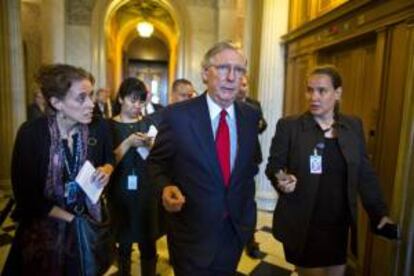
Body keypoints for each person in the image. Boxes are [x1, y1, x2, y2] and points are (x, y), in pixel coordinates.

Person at [265, 65, 394, 276]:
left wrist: (379, 212)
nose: (313, 96)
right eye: (309, 90)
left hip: (338, 223)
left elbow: (364, 172)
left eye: (322, 90)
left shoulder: (352, 125)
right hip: (304, 221)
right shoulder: (290, 126)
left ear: (338, 93)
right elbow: (274, 166)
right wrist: (282, 180)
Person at [148, 41, 261, 275]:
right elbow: (156, 164)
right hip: (191, 233)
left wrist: (247, 218)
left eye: (239, 70)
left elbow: (249, 167)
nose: (232, 77)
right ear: (204, 74)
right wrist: (165, 187)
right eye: (223, 68)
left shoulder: (250, 116)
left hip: (234, 231)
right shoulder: (177, 116)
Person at [3, 64, 114, 275]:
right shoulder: (31, 134)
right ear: (56, 103)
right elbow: (27, 198)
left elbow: (109, 158)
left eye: (91, 95)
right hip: (45, 234)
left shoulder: (99, 127)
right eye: (81, 98)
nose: (91, 104)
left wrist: (106, 170)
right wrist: (73, 221)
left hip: (88, 225)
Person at [107, 78, 163, 276]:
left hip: (147, 192)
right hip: (119, 192)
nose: (137, 106)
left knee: (148, 243)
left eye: (141, 101)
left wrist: (151, 146)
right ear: (121, 98)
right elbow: (107, 163)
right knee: (123, 244)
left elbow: (159, 158)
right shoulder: (108, 126)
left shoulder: (148, 123)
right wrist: (129, 143)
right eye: (132, 100)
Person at [236, 75, 267, 259]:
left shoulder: (254, 104)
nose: (243, 88)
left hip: (249, 158)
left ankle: (250, 241)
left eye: (245, 84)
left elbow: (262, 124)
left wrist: (258, 125)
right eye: (241, 84)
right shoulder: (227, 103)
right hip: (229, 159)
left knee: (248, 201)